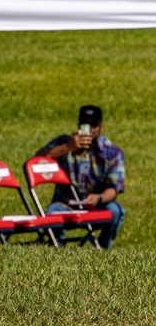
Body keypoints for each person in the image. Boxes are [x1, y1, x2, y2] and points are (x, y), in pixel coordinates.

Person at [35, 104, 126, 249]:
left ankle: (102, 250)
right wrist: (68, 148)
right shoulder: (65, 142)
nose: (89, 128)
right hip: (65, 205)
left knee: (116, 211)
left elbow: (115, 188)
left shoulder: (112, 152)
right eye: (85, 123)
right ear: (78, 125)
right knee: (52, 213)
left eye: (94, 124)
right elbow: (36, 160)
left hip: (96, 205)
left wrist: (99, 198)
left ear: (100, 127)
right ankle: (57, 249)